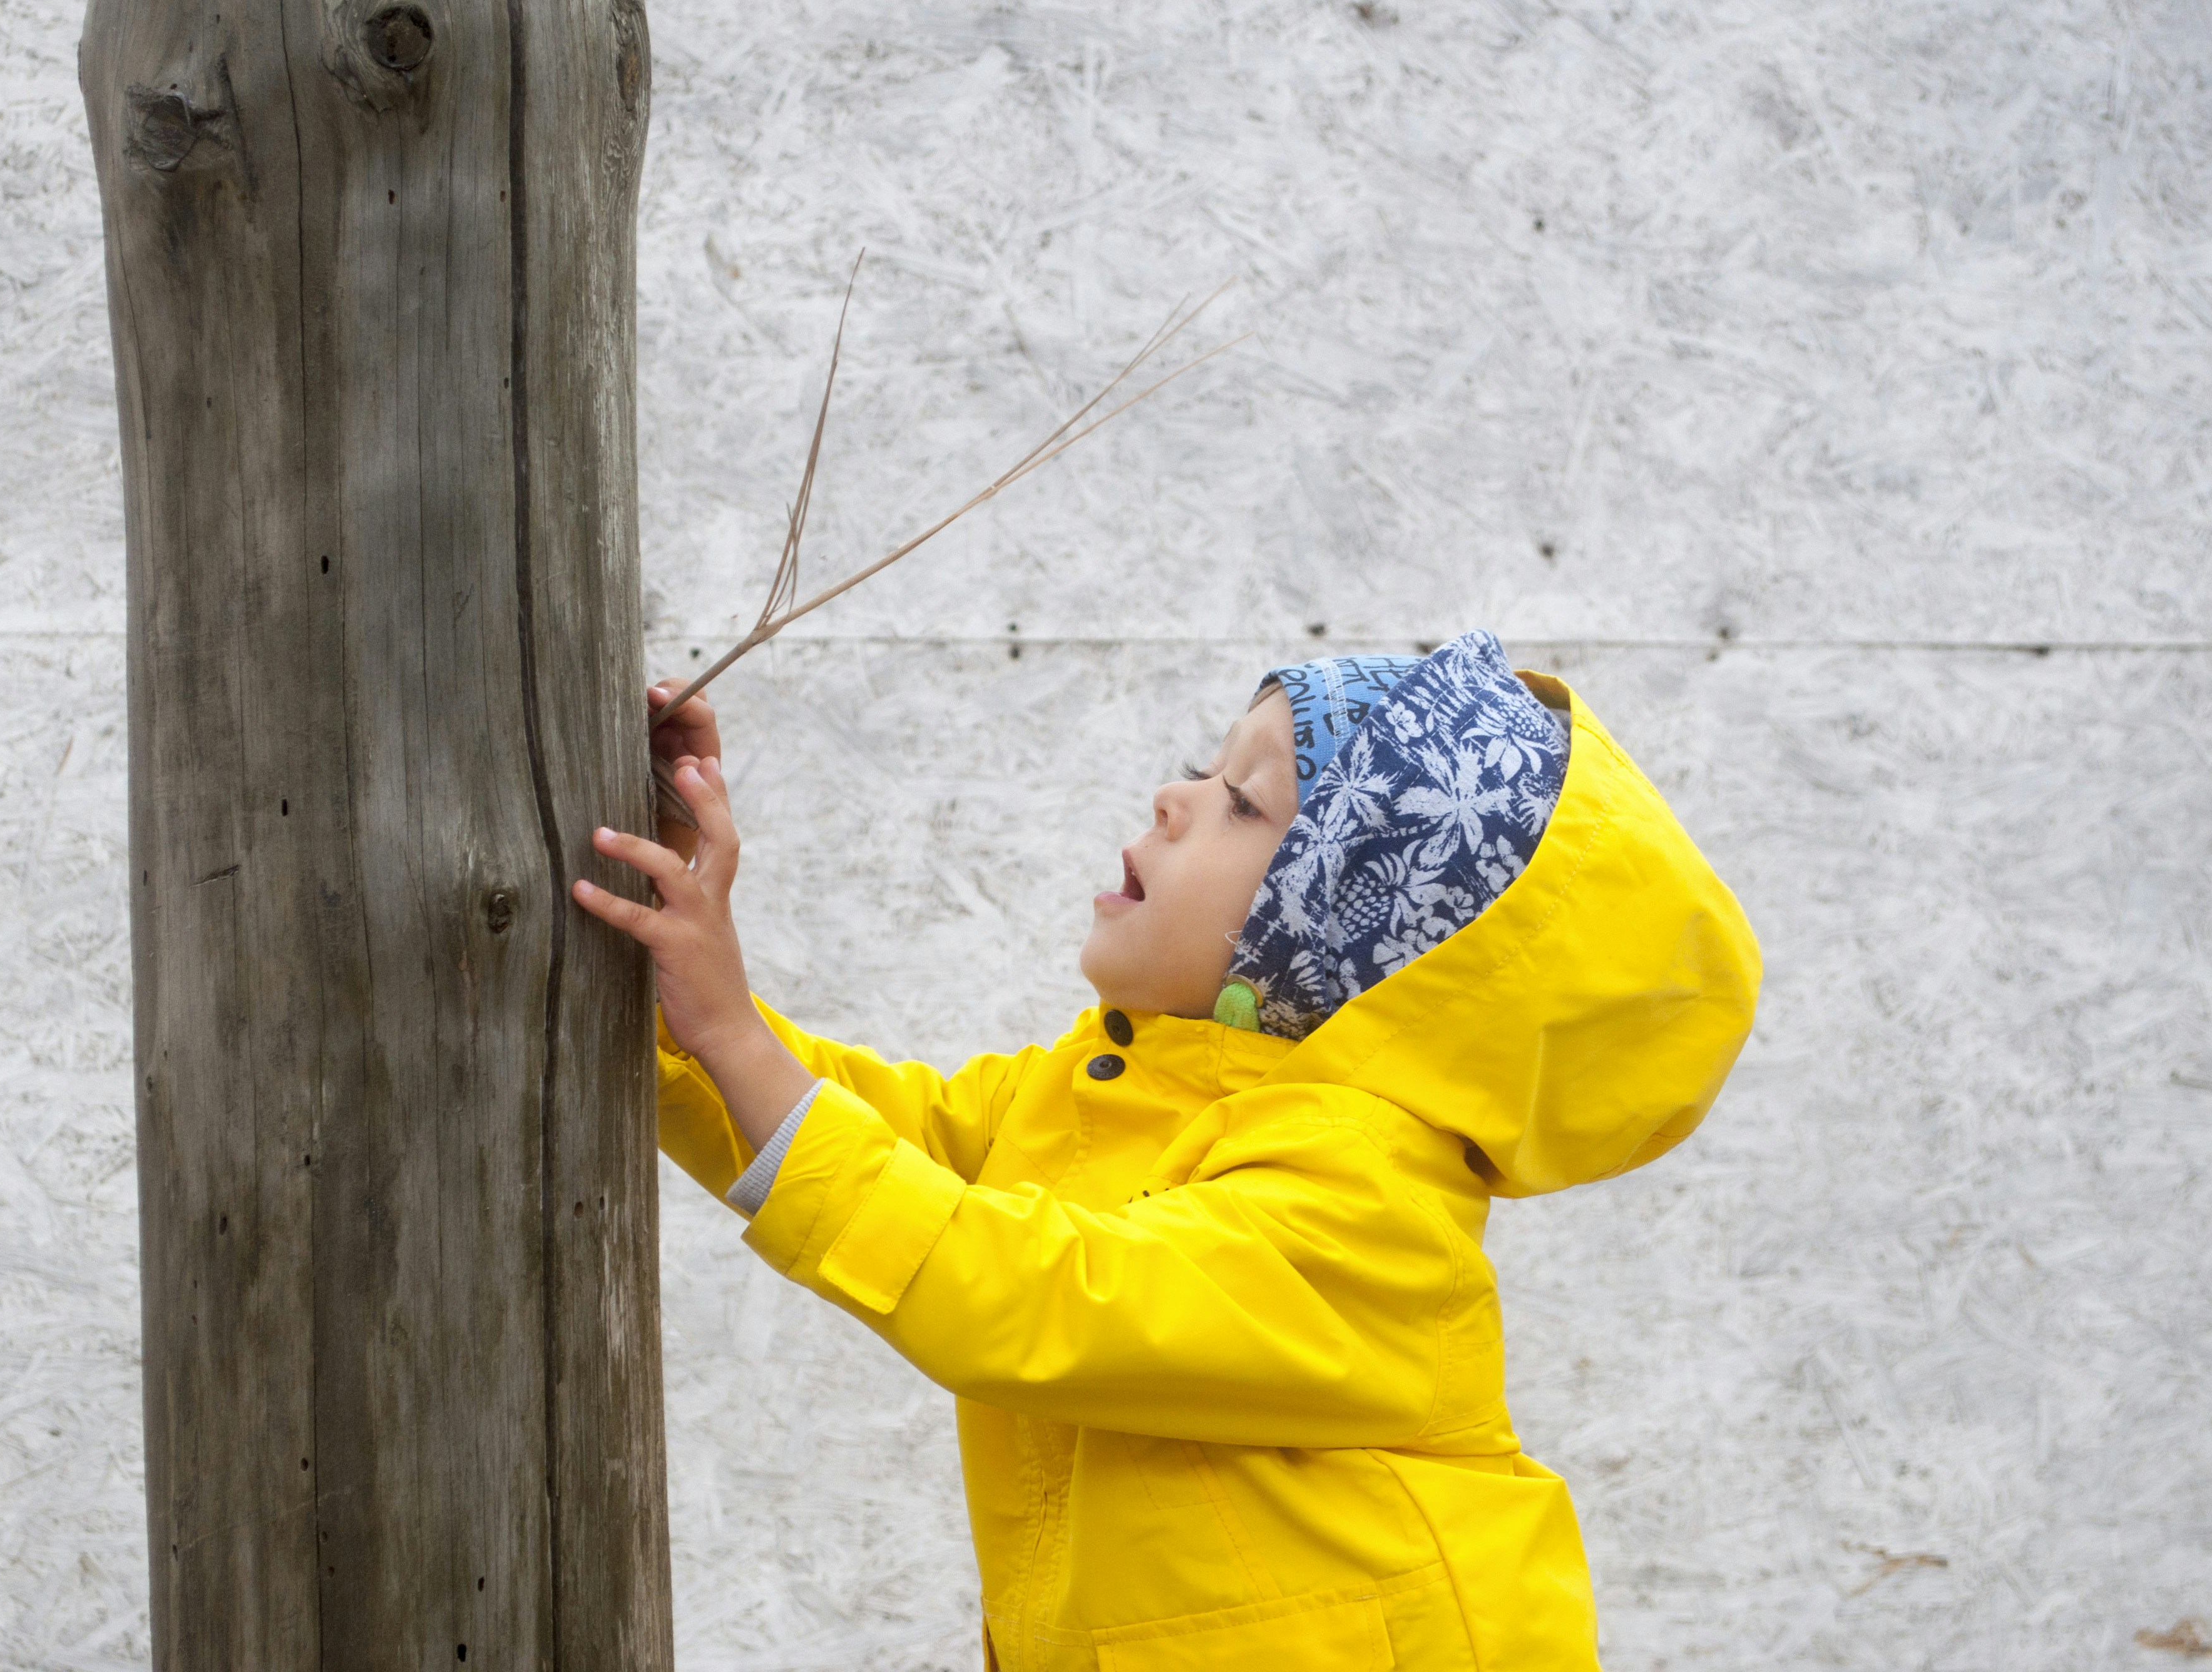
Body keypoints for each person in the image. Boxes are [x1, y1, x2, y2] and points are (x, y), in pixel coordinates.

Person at [571, 630, 1759, 1672]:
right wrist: (677, 1009)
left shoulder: (1361, 1215)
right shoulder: (1120, 1090)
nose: (1175, 798)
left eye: (1247, 804)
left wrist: (728, 1028)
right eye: (1207, 766)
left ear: (1347, 940)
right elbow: (890, 1140)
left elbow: (1033, 1296)